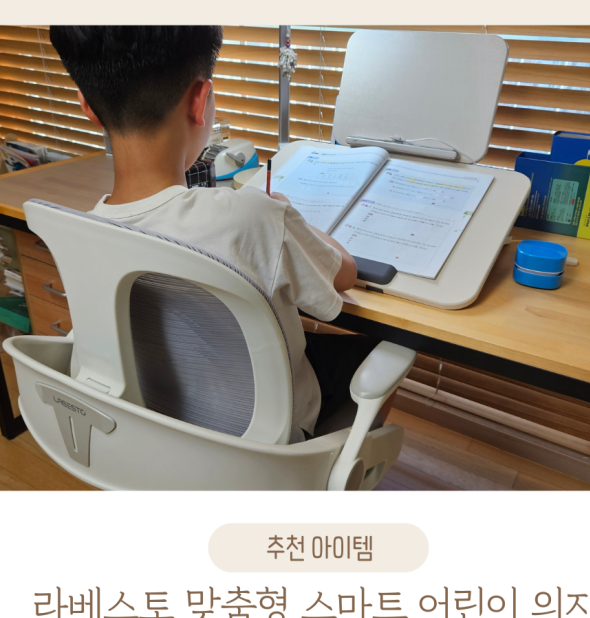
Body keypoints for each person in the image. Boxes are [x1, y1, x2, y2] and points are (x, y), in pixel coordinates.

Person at [49, 26, 391, 441]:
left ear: (87, 106)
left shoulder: (79, 231)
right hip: (269, 446)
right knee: (380, 352)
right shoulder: (253, 217)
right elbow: (344, 275)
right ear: (200, 101)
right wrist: (284, 213)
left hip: (155, 433)